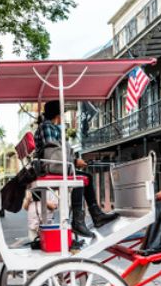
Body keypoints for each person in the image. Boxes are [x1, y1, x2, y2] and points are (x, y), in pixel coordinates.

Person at [34, 100, 118, 241]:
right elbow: (53, 152)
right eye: (62, 113)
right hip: (51, 167)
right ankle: (79, 221)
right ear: (58, 114)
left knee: (85, 177)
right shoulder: (48, 127)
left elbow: (57, 152)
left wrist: (73, 161)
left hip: (51, 166)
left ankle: (95, 215)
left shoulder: (48, 127)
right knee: (79, 179)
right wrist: (73, 161)